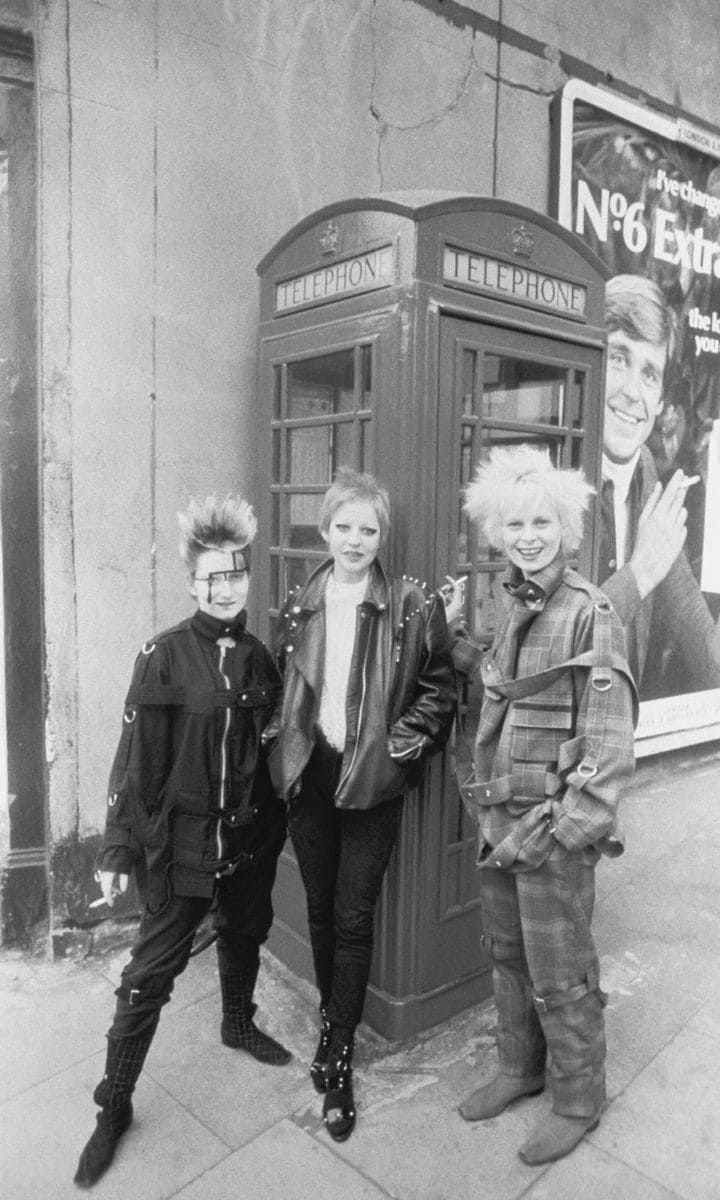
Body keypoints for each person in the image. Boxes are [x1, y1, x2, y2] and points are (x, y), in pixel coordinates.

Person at [74, 495, 290, 1190]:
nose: (225, 588)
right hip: (185, 845)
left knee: (246, 932)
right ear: (192, 581)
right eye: (212, 577)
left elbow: (277, 744)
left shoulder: (260, 657)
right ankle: (114, 1106)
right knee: (148, 978)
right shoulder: (163, 655)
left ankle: (237, 1021)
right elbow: (134, 759)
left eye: (236, 575)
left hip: (250, 839)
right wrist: (116, 848)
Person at [447, 445, 637, 1166]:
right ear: (499, 531)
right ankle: (520, 1069)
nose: (529, 536)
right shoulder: (514, 600)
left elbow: (610, 735)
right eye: (516, 524)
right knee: (507, 955)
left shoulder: (591, 613)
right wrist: (447, 637)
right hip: (498, 817)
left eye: (542, 523)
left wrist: (568, 828)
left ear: (567, 527)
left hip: (550, 826)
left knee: (561, 971)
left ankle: (578, 1097)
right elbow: (504, 682)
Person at [266, 467, 456, 1143]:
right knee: (320, 909)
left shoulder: (410, 603)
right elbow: (283, 686)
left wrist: (399, 747)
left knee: (353, 914)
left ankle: (339, 1057)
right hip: (312, 774)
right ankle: (331, 1026)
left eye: (367, 529)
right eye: (343, 526)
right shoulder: (302, 600)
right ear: (325, 530)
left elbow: (440, 689)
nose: (354, 539)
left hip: (372, 779)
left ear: (382, 536)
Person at [598, 274, 720, 697]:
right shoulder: (550, 474)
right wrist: (640, 573)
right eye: (618, 358)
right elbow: (549, 655)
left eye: (650, 373)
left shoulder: (648, 475)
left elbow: (709, 659)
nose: (633, 391)